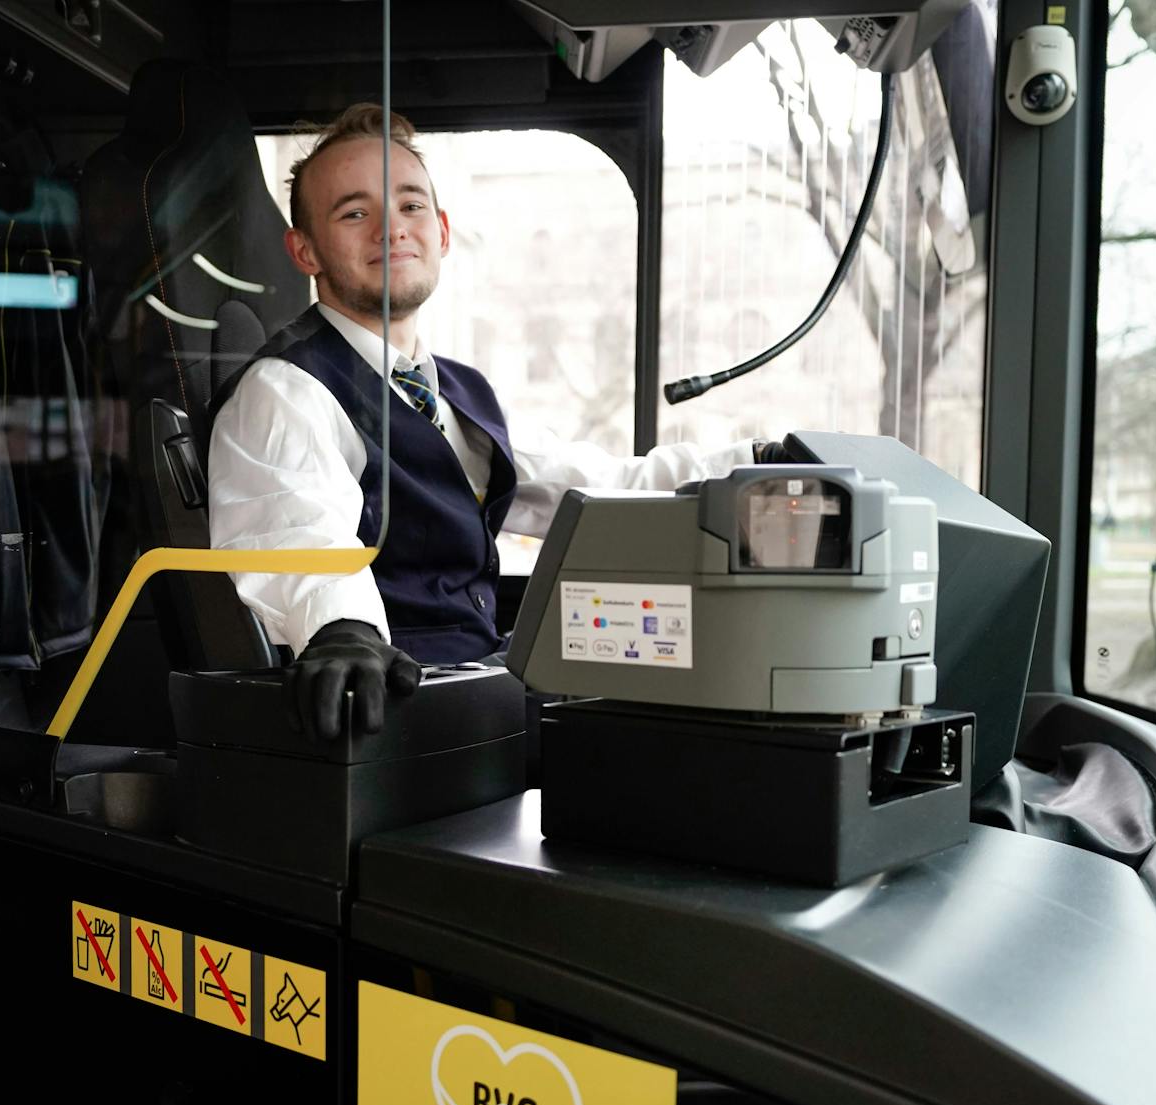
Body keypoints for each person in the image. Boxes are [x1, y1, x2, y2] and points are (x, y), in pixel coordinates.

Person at [208, 104, 800, 738]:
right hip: (399, 704)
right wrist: (342, 630)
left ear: (441, 231)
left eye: (409, 207)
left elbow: (587, 485)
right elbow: (298, 537)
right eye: (354, 213)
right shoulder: (287, 389)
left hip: (479, 676)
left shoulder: (456, 389)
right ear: (305, 251)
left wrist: (757, 464)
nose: (390, 229)